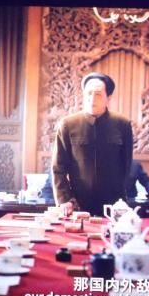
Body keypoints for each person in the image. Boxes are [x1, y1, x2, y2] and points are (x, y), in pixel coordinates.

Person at [51, 72, 135, 215]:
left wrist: (121, 199)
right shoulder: (68, 125)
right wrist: (64, 199)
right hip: (77, 204)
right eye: (88, 94)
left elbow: (126, 165)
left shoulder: (122, 124)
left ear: (108, 98)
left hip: (113, 204)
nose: (92, 99)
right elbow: (58, 167)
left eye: (98, 94)